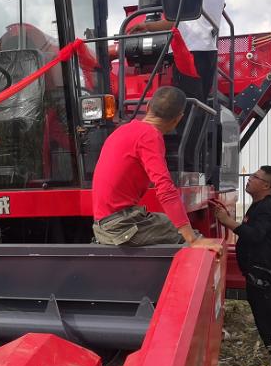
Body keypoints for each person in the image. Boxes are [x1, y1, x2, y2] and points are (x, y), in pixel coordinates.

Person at [91, 86, 213, 247]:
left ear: (148, 107)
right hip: (120, 226)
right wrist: (193, 240)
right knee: (190, 236)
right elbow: (165, 189)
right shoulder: (150, 136)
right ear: (179, 118)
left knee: (171, 224)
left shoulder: (123, 130)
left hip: (106, 222)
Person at [213, 166, 271, 366]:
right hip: (260, 273)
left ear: (266, 185)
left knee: (270, 325)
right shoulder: (262, 205)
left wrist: (227, 221)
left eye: (255, 178)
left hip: (264, 276)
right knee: (268, 323)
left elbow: (254, 235)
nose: (250, 180)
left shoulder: (267, 209)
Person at [127, 0, 224, 102]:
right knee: (196, 104)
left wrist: (146, 27)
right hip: (203, 49)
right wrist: (147, 26)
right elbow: (176, 20)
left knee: (187, 104)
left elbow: (173, 20)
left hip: (191, 49)